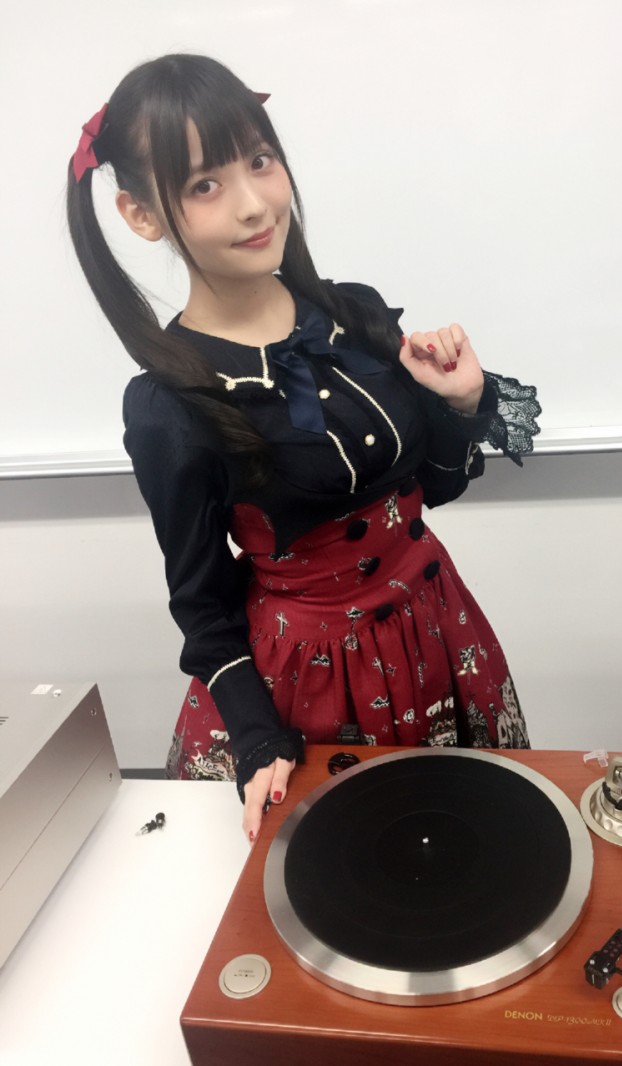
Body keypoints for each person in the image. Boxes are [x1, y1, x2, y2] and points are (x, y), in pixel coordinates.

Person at [66, 54, 541, 842]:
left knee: (466, 851)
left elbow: (433, 489)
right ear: (141, 214)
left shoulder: (352, 314)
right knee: (336, 872)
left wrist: (460, 405)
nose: (255, 203)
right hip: (312, 677)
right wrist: (257, 738)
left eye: (260, 160)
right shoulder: (168, 407)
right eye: (205, 185)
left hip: (437, 628)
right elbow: (202, 605)